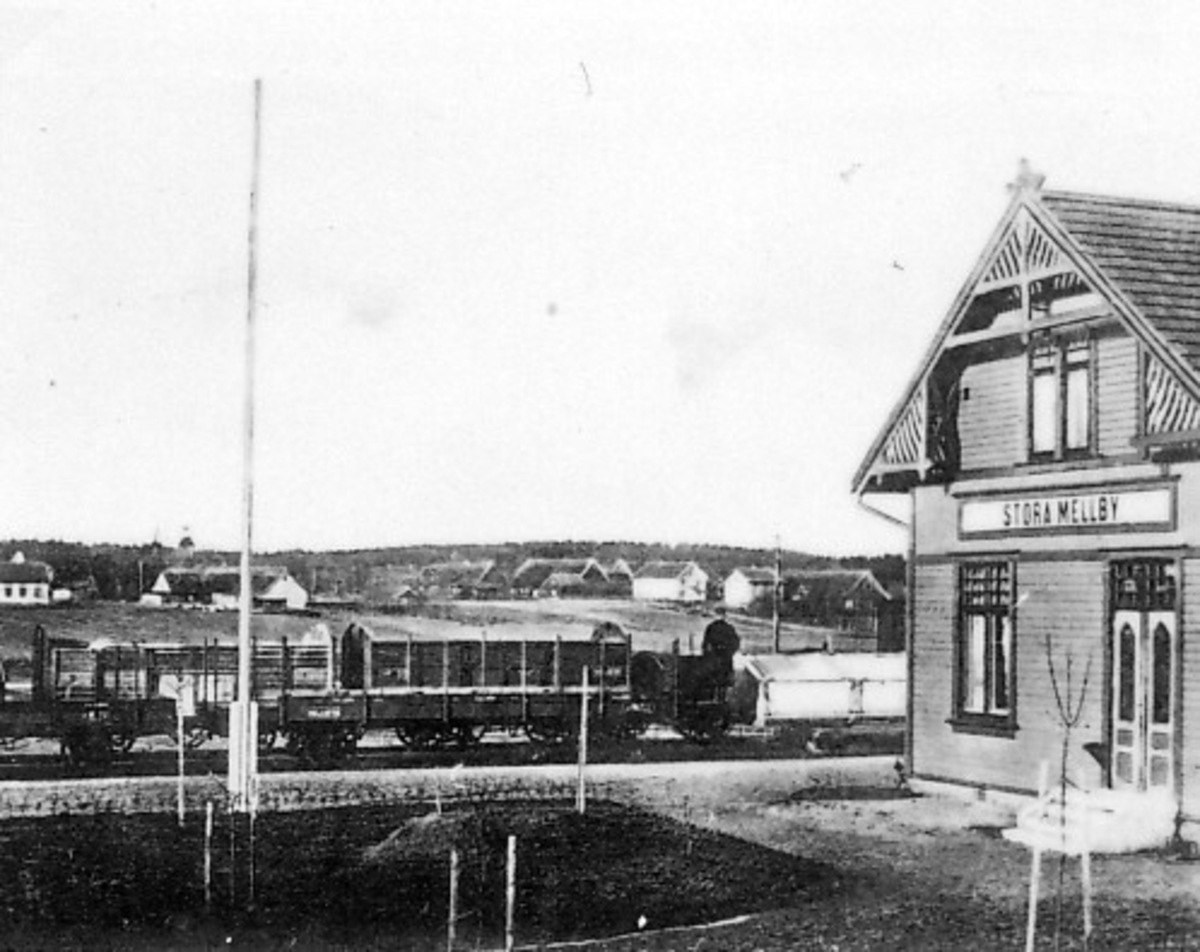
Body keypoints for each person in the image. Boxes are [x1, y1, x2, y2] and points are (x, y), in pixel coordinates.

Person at [701, 606, 740, 688]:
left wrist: (707, 655)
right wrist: (730, 653)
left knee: (715, 680)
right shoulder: (728, 628)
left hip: (716, 659)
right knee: (722, 681)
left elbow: (705, 644)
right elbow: (735, 643)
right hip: (722, 658)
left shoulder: (711, 627)